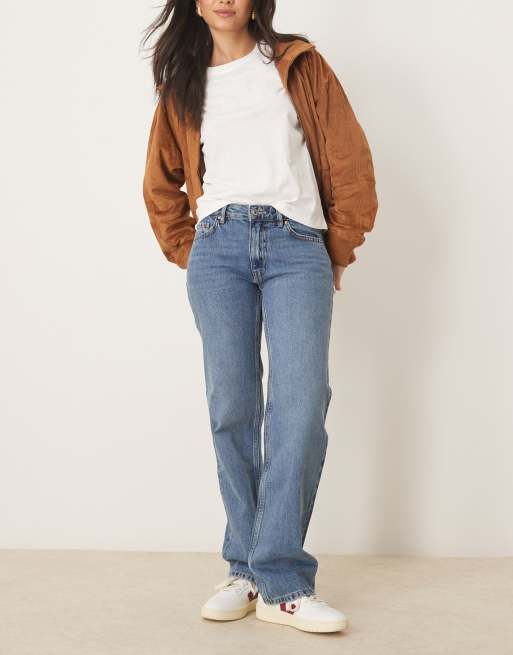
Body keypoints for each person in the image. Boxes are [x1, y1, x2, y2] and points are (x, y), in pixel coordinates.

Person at [141, 0, 378, 634]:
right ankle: (246, 571)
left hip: (296, 245)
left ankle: (282, 581)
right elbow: (160, 184)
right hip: (217, 246)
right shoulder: (183, 82)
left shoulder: (299, 64)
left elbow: (350, 161)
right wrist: (192, 251)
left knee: (301, 403)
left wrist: (337, 247)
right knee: (232, 407)